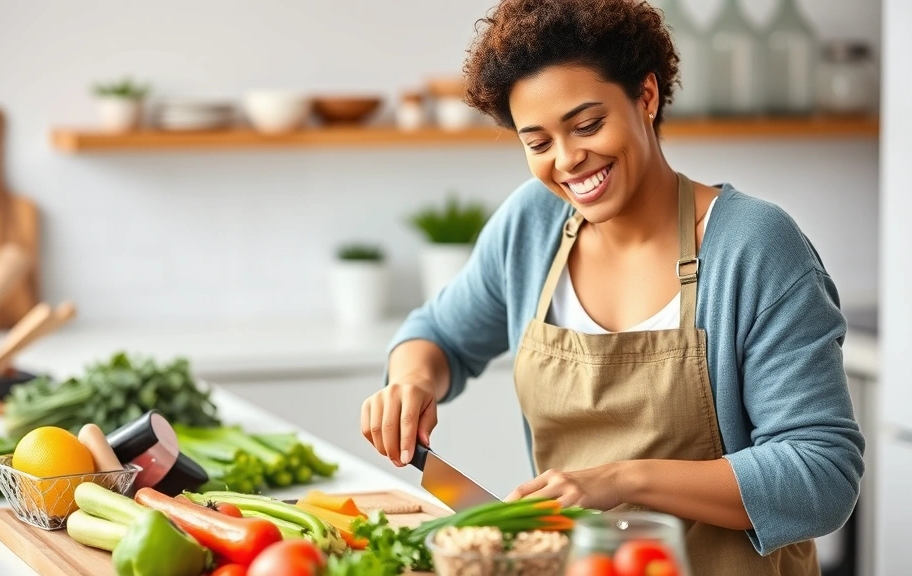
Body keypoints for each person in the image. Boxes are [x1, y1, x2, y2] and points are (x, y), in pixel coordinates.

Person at [359, 1, 864, 573]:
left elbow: (821, 475)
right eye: (538, 142)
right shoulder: (534, 223)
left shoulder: (754, 246)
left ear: (645, 96)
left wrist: (624, 479)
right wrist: (411, 379)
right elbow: (439, 334)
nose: (569, 161)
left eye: (587, 124)